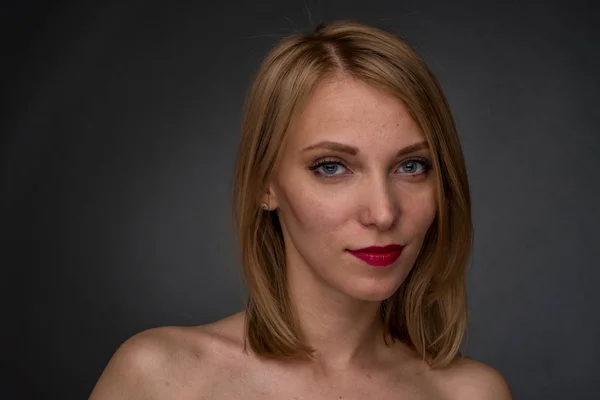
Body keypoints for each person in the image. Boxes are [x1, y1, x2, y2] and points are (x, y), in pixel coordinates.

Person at [90, 20, 512, 399]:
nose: (383, 213)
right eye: (331, 167)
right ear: (265, 185)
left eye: (412, 166)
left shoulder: (471, 394)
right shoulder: (162, 379)